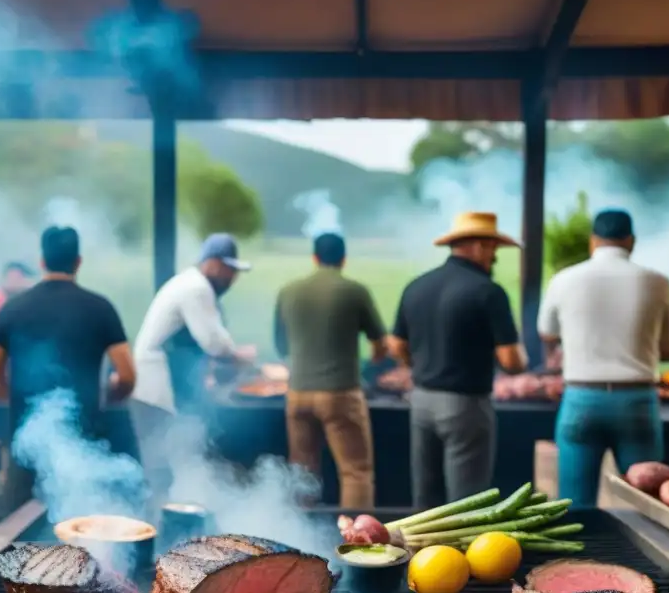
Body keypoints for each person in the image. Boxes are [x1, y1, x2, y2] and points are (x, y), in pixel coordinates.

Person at [0, 226, 136, 513]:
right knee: (80, 522)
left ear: (42, 262)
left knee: (17, 531)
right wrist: (107, 397)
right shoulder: (101, 308)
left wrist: (19, 404)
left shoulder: (11, 309)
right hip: (84, 439)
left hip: (25, 439)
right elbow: (127, 376)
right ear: (78, 262)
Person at [389, 212, 527, 510]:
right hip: (465, 408)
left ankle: (423, 555)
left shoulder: (416, 286)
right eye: (493, 249)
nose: (494, 258)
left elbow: (396, 344)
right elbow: (511, 360)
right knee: (466, 506)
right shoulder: (489, 292)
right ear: (478, 246)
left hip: (422, 401)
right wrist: (521, 359)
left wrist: (418, 365)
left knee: (426, 503)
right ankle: (460, 557)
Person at [537, 210, 669, 508]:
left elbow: (546, 333)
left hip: (581, 397)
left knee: (574, 505)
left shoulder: (564, 279)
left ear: (593, 242)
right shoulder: (658, 282)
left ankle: (583, 554)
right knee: (646, 502)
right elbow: (666, 347)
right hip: (638, 400)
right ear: (631, 241)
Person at [131, 234, 255, 499]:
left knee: (171, 461)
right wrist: (240, 355)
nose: (232, 277)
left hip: (161, 386)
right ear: (211, 263)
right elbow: (213, 342)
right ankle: (164, 526)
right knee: (163, 465)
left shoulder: (190, 284)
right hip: (156, 390)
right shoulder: (196, 288)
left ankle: (174, 516)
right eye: (228, 269)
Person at [274, 233, 387, 509]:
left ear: (314, 258)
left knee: (302, 473)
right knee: (355, 472)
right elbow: (380, 344)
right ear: (343, 259)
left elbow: (280, 345)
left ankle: (297, 542)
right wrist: (370, 364)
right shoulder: (355, 290)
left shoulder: (288, 291)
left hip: (298, 393)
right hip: (340, 393)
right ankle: (357, 546)